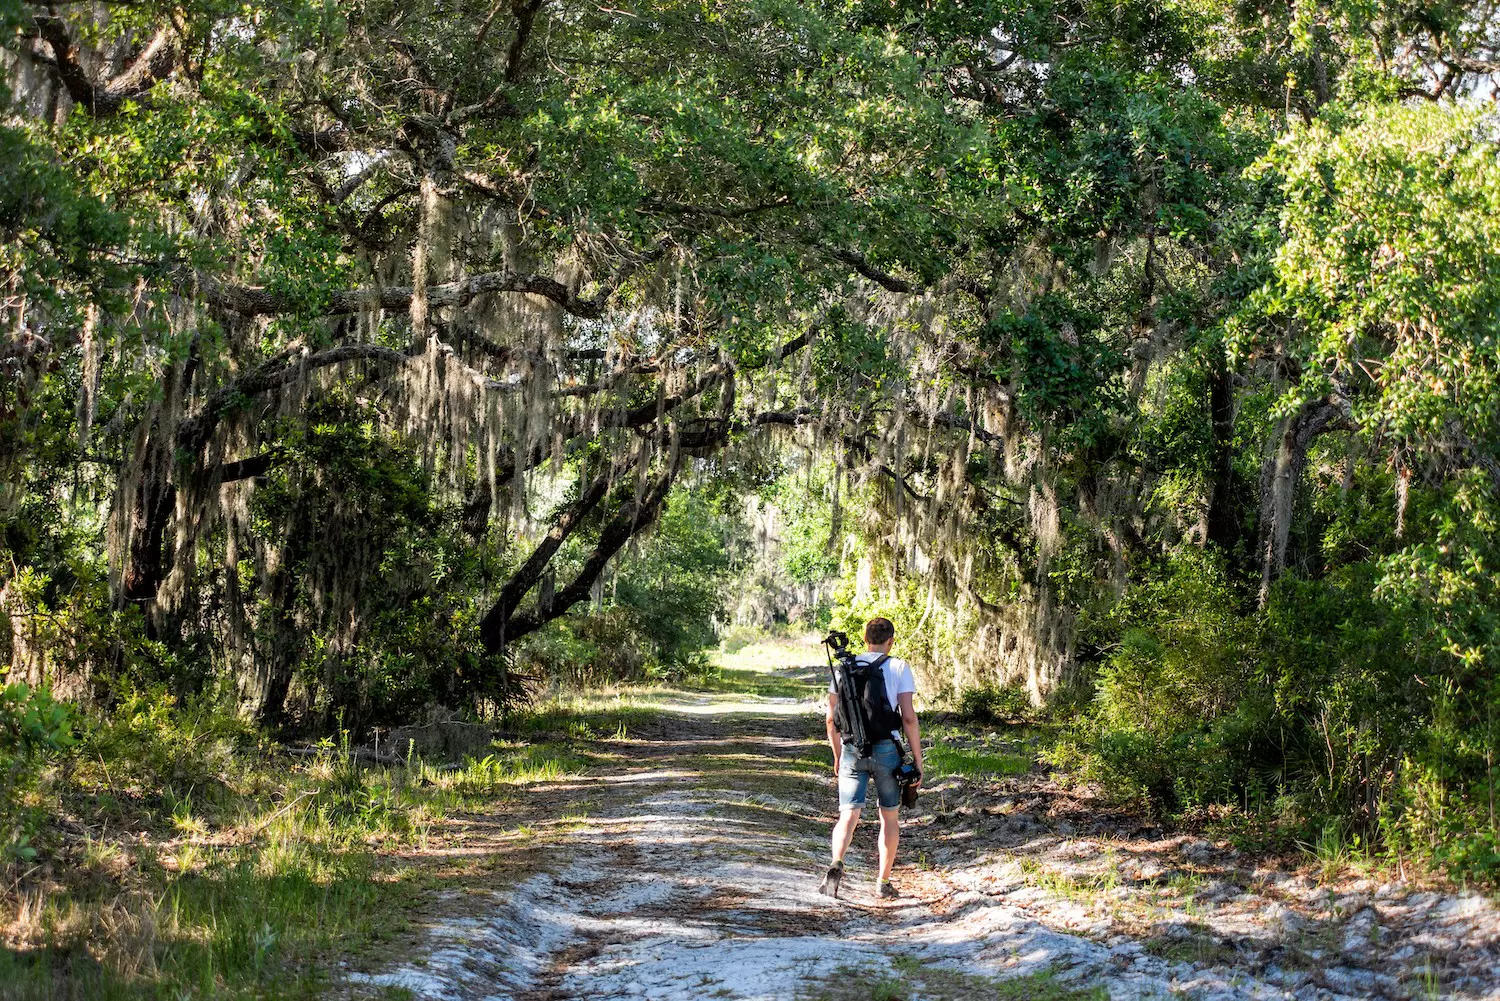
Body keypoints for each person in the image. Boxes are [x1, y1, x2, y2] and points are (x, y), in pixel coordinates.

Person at [817, 616, 923, 900]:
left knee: (848, 815)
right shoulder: (899, 667)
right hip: (887, 749)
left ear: (865, 639)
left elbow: (831, 720)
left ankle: (836, 863)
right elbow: (909, 718)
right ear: (891, 640)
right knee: (889, 817)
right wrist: (917, 760)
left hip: (853, 749)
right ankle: (883, 882)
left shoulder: (843, 669)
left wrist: (838, 756)